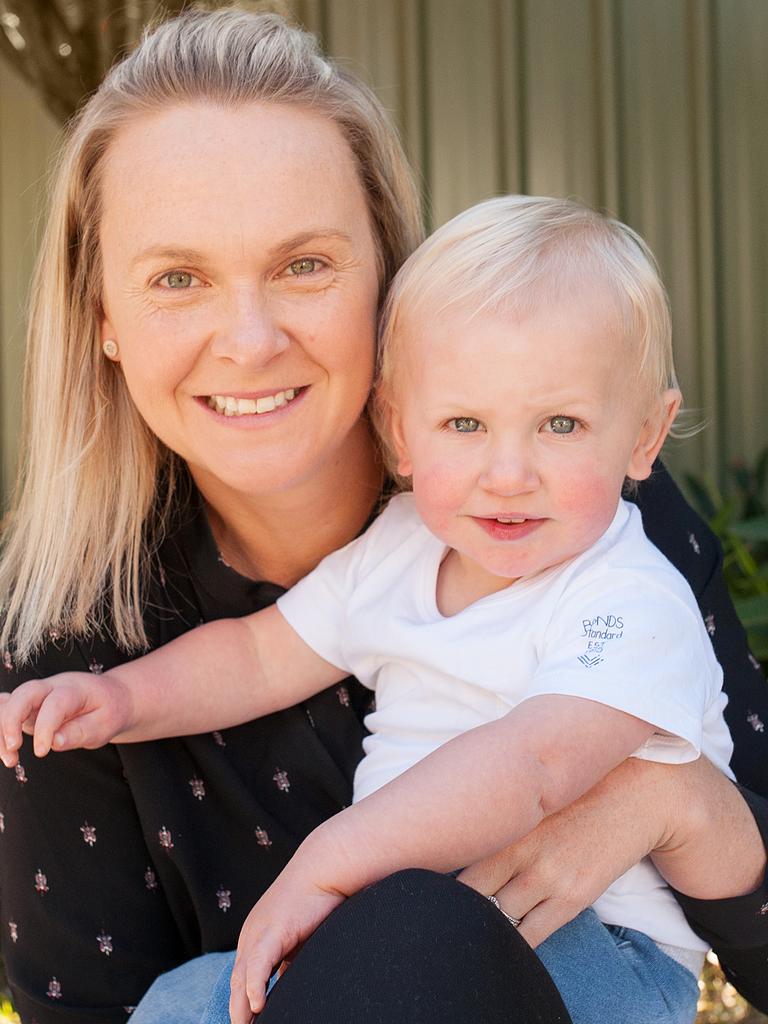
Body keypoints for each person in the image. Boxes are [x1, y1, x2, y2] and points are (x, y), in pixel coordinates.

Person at [0, 10, 765, 1024]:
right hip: (328, 966)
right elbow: (261, 656)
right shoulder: (66, 638)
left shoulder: (584, 509)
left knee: (419, 939)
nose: (251, 337)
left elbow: (541, 763)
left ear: (386, 277)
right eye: (178, 278)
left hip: (586, 956)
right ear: (102, 316)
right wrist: (120, 700)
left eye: (303, 263)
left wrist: (673, 803)